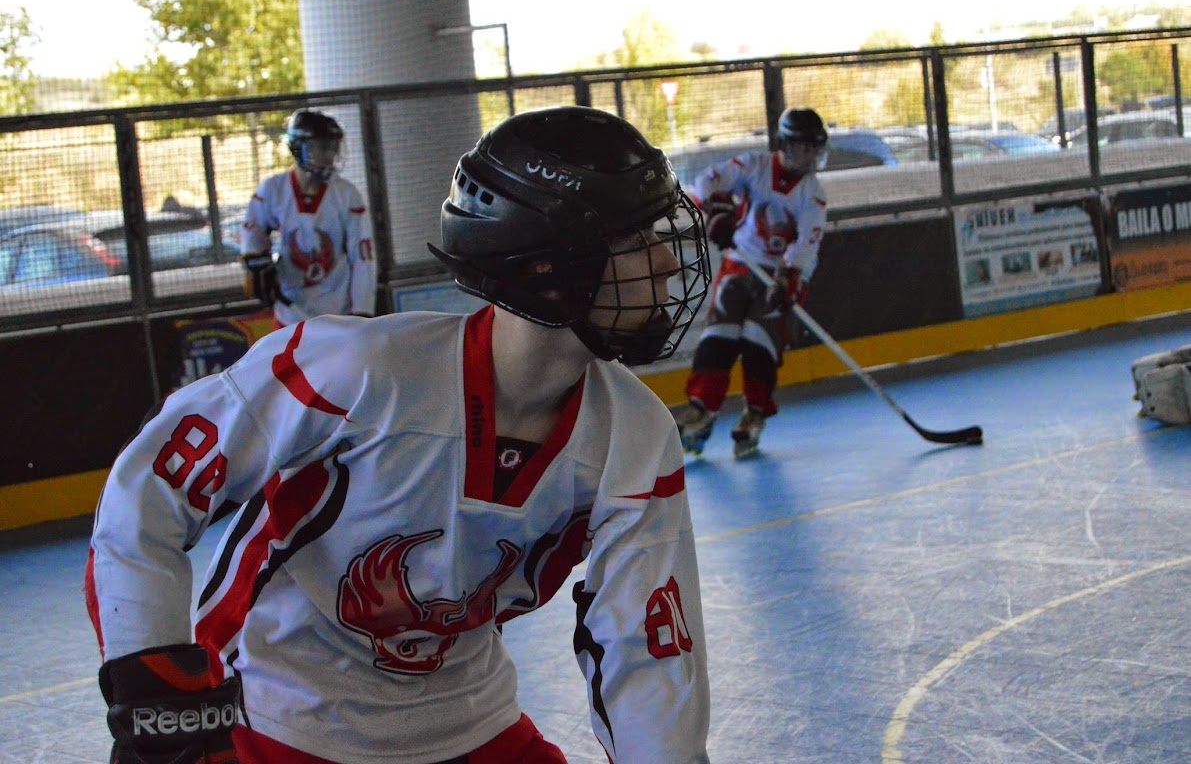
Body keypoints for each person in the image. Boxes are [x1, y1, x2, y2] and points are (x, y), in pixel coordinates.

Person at [85, 106, 714, 764]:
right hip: (278, 720)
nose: (667, 262)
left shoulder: (638, 434)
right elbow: (150, 488)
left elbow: (648, 650)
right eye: (637, 241)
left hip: (472, 721)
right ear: (545, 267)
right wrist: (153, 682)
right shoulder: (354, 370)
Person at [677, 107, 829, 459]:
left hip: (783, 276)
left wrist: (788, 278)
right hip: (741, 262)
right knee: (719, 334)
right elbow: (706, 182)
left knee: (760, 340)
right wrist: (717, 210)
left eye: (813, 149)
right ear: (784, 144)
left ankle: (754, 413)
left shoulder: (813, 193)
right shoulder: (753, 166)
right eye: (801, 148)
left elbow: (807, 243)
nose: (808, 157)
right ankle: (702, 409)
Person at [239, 109, 377, 327]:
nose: (329, 155)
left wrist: (362, 310)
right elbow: (252, 232)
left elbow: (362, 256)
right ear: (298, 148)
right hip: (290, 314)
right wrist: (257, 260)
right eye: (321, 147)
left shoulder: (346, 194)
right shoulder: (273, 189)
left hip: (338, 314)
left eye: (332, 147)